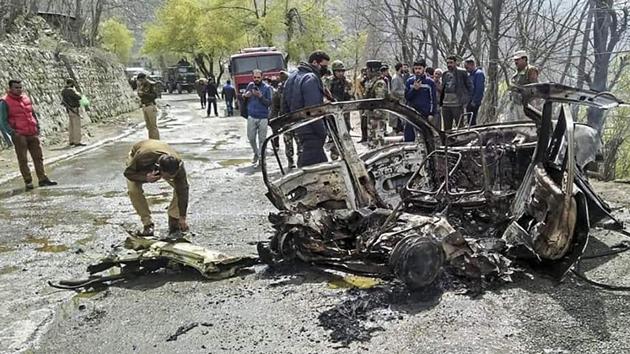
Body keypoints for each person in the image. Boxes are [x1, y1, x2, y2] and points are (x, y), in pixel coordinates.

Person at [0, 79, 57, 190]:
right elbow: (2, 120)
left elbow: (32, 113)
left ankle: (43, 179)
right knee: (23, 159)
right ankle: (28, 181)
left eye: (20, 87)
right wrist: (12, 133)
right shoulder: (4, 102)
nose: (19, 89)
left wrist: (37, 126)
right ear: (10, 88)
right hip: (19, 134)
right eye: (16, 87)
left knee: (38, 156)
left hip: (32, 132)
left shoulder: (26, 98)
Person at [124, 139, 189, 237]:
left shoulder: (178, 165)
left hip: (161, 151)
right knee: (133, 190)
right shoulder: (143, 157)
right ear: (159, 169)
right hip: (140, 157)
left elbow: (183, 190)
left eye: (173, 176)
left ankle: (173, 219)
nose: (170, 179)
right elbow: (128, 173)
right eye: (167, 177)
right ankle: (147, 224)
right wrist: (145, 177)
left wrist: (182, 217)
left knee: (180, 188)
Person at [282, 50, 330, 167]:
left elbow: (284, 106)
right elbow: (313, 110)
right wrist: (322, 132)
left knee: (306, 164)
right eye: (324, 66)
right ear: (314, 62)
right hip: (311, 131)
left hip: (299, 129)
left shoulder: (292, 77)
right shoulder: (311, 78)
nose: (325, 69)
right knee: (318, 171)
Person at [243, 69, 273, 165]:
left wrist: (260, 96)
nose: (256, 79)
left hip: (263, 117)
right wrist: (245, 96)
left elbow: (269, 103)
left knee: (262, 140)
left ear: (262, 77)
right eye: (255, 77)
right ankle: (256, 153)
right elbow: (243, 97)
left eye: (258, 77)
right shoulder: (250, 85)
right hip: (251, 116)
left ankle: (261, 158)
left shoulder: (267, 88)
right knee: (251, 138)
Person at [405, 59, 437, 141]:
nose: (417, 71)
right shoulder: (409, 81)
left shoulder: (430, 82)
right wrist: (414, 89)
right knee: (409, 134)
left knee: (426, 135)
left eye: (419, 68)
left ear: (424, 68)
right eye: (416, 68)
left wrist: (431, 113)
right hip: (411, 111)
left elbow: (433, 99)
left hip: (425, 113)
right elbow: (407, 97)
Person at [439, 55, 472, 130]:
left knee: (460, 126)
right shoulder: (445, 74)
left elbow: (469, 87)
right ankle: (448, 141)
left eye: (451, 63)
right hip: (445, 104)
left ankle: (462, 141)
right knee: (447, 127)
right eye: (447, 63)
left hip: (457, 104)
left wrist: (466, 101)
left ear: (455, 63)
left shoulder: (462, 72)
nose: (449, 65)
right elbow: (443, 89)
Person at [363, 60, 389, 148]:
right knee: (372, 142)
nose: (366, 72)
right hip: (372, 118)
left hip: (377, 119)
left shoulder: (379, 83)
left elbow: (379, 102)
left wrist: (375, 115)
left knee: (377, 143)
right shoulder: (372, 82)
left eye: (368, 70)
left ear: (372, 70)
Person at [327, 60, 354, 130]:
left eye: (342, 71)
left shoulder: (347, 82)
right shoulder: (328, 81)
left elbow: (351, 95)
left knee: (346, 126)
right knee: (333, 126)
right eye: (338, 71)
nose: (341, 73)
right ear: (334, 71)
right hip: (332, 108)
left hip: (344, 108)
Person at [60, 78, 85, 147]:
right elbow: (79, 97)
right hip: (74, 109)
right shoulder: (71, 91)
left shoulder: (63, 91)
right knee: (76, 125)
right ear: (71, 83)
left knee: (71, 126)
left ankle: (71, 140)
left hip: (69, 109)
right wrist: (77, 92)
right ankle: (77, 141)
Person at [136, 73, 160, 139]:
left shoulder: (151, 85)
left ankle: (156, 141)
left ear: (144, 78)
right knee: (148, 126)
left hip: (150, 106)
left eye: (141, 80)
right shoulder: (141, 86)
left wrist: (144, 94)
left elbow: (154, 96)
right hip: (144, 106)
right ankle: (151, 140)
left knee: (153, 126)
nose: (141, 81)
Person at [464, 58, 486, 126]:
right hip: (469, 100)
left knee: (472, 119)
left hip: (474, 101)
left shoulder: (478, 74)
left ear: (472, 65)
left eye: (467, 67)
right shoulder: (470, 75)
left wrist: (475, 101)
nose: (466, 69)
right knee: (469, 120)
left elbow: (479, 89)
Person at [390, 63, 407, 133]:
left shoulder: (400, 77)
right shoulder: (395, 78)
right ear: (400, 68)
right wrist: (404, 94)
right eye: (403, 67)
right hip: (397, 103)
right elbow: (394, 91)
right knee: (397, 126)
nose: (404, 69)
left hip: (401, 103)